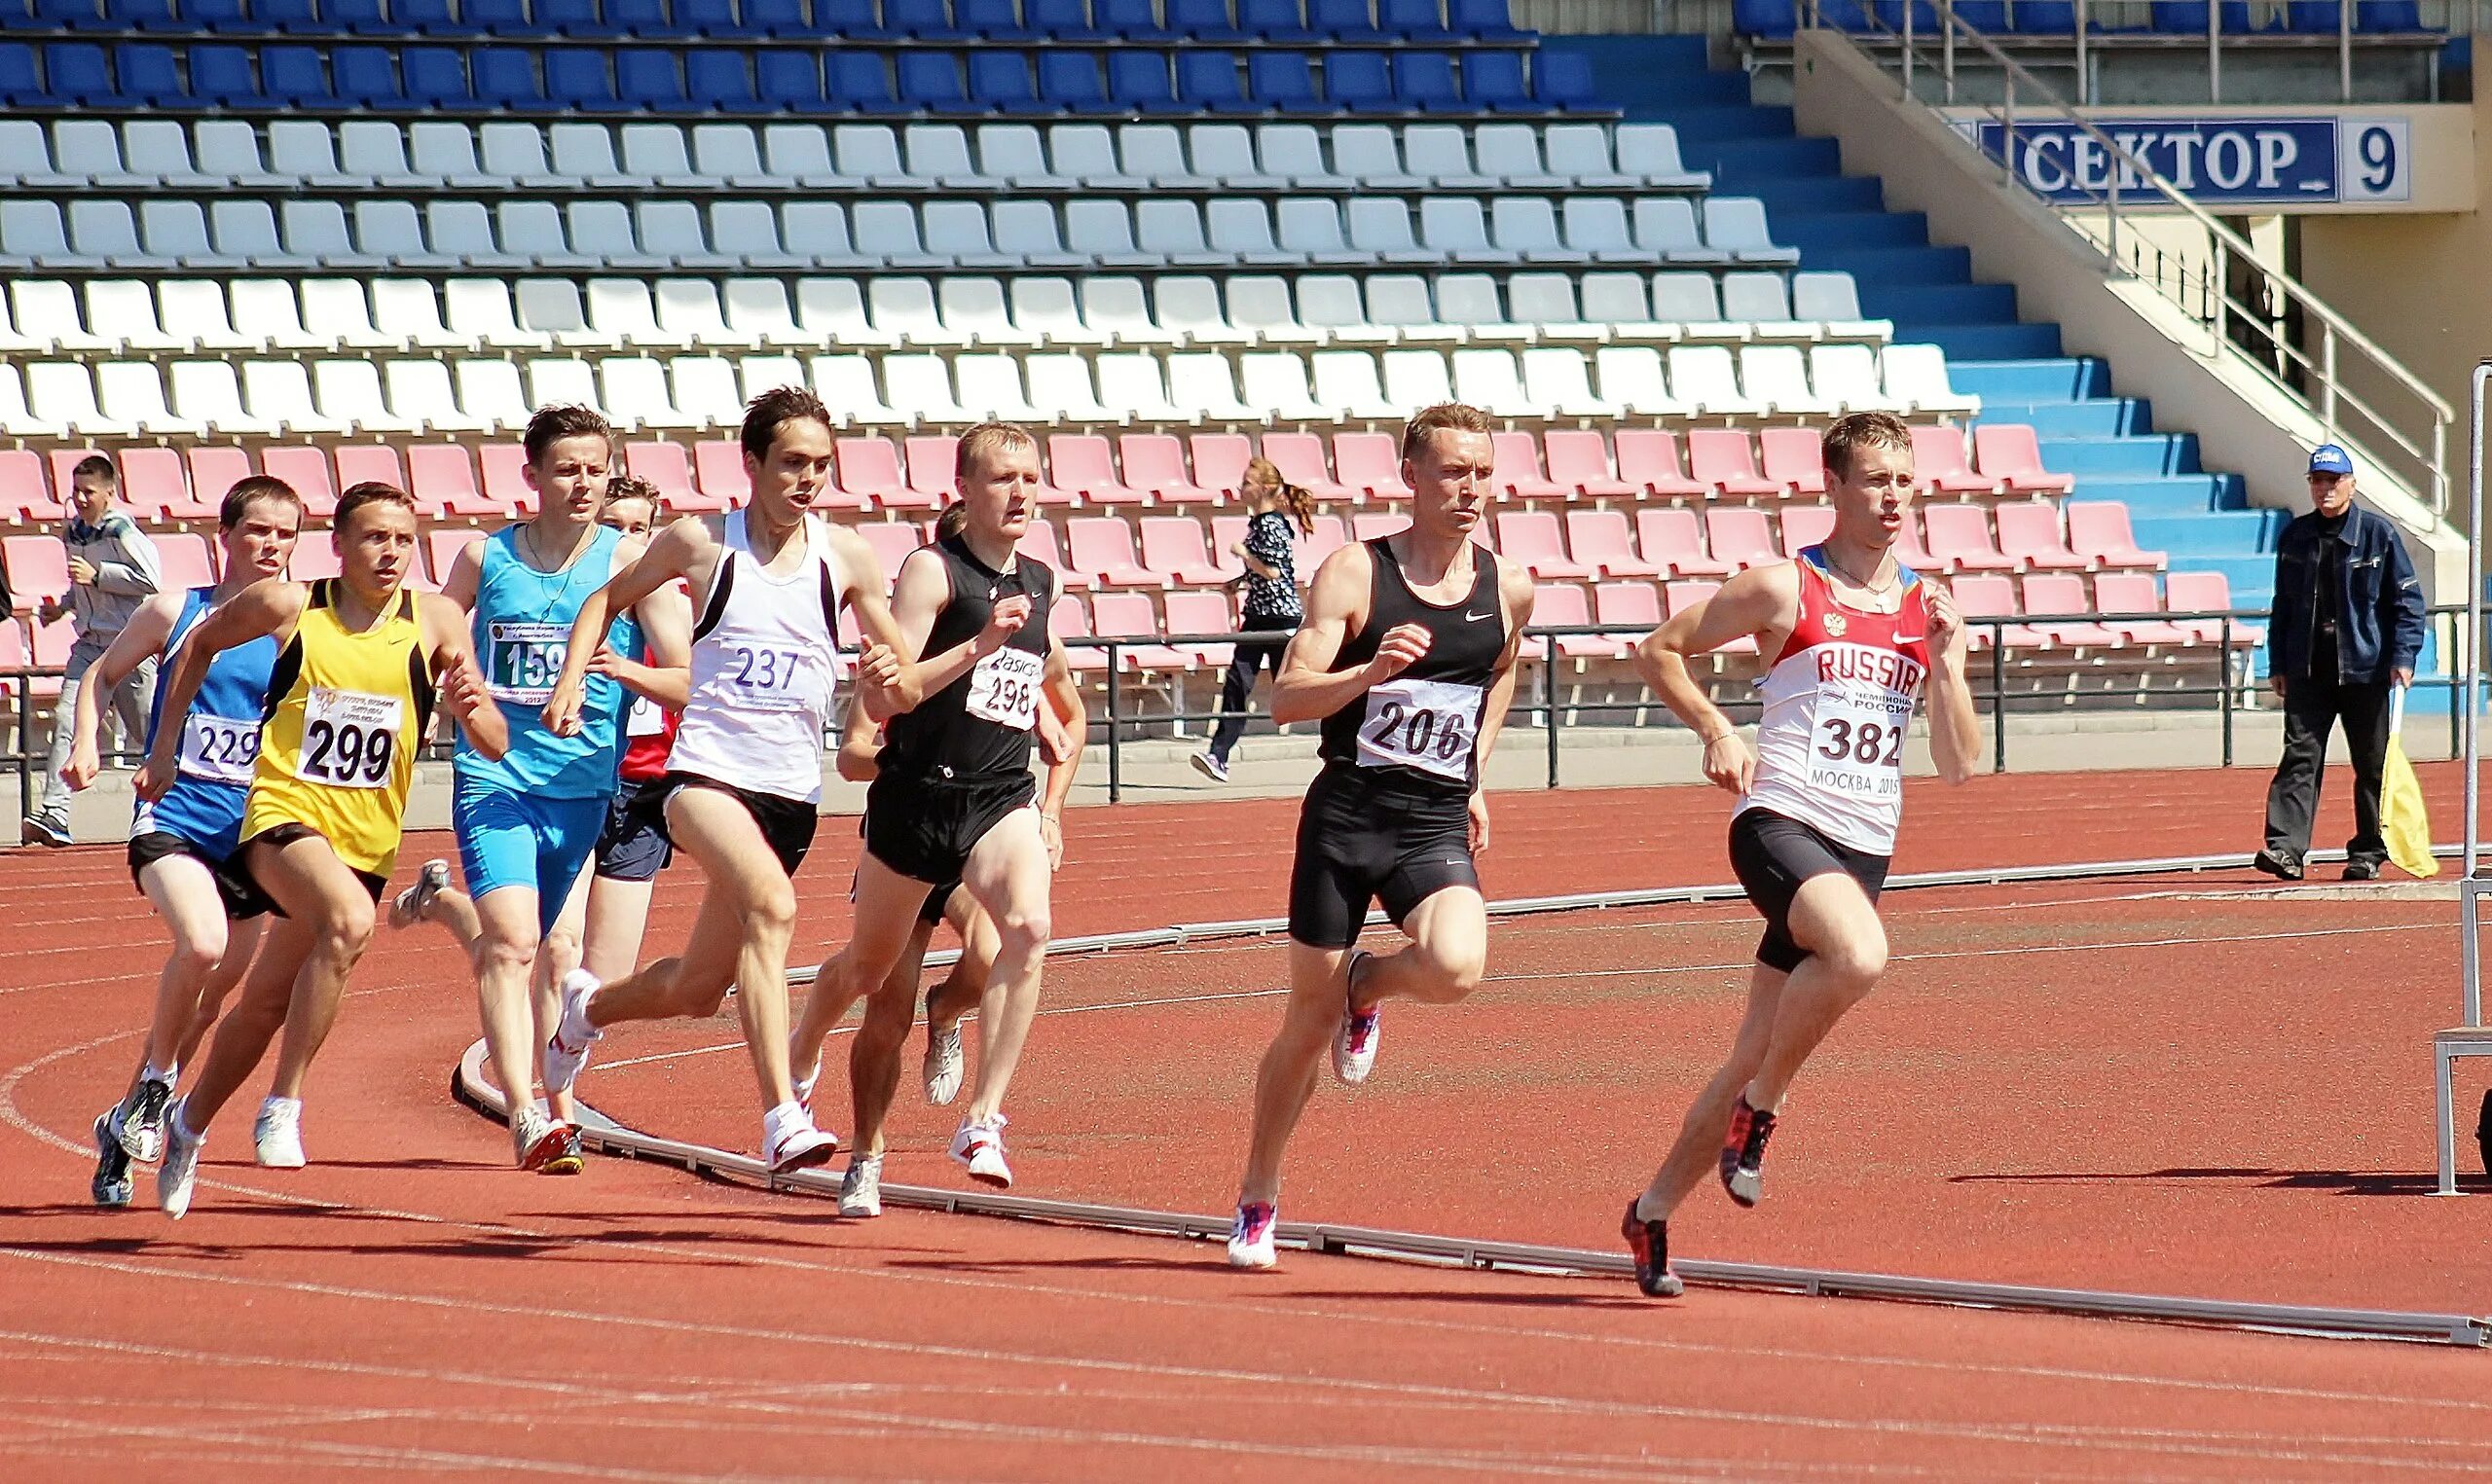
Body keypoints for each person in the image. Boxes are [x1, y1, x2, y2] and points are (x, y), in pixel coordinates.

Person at [1617, 411, 1981, 1299]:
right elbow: (1660, 649)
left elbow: (1962, 764)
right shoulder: (1784, 588)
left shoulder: (1924, 606)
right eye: (1875, 480)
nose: (1894, 496)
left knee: (1748, 1048)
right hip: (1780, 819)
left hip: (1865, 846)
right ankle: (1764, 1110)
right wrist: (1714, 726)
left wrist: (1949, 666)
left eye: (1905, 479)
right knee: (1860, 955)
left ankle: (1653, 1209)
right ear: (1835, 487)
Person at [535, 387, 910, 1175]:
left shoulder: (847, 557)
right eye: (791, 462)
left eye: (821, 464)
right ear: (752, 464)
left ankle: (585, 1009)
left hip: (789, 798)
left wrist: (889, 676)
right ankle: (782, 1113)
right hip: (704, 778)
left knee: (699, 987)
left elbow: (899, 681)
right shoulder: (702, 543)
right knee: (774, 908)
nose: (807, 478)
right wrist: (572, 680)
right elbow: (608, 595)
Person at [137, 481, 508, 1218]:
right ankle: (284, 1102)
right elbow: (200, 645)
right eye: (374, 537)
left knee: (265, 1003)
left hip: (365, 838)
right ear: (338, 545)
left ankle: (188, 1122)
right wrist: (167, 744)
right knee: (349, 920)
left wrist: (474, 705)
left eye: (404, 539)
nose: (391, 552)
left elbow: (493, 742)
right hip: (281, 814)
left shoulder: (434, 619)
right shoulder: (289, 606)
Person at [1227, 403, 1536, 1270]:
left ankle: (1368, 985)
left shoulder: (1506, 586)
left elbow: (1503, 667)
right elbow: (1286, 697)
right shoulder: (1355, 575)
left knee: (1458, 966)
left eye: (1481, 471)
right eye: (1451, 471)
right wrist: (1371, 671)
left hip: (1431, 818)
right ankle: (1258, 1193)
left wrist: (1475, 766)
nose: (1470, 487)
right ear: (1411, 475)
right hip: (1346, 817)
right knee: (1301, 1023)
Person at [791, 422, 1087, 1199]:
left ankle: (983, 1118)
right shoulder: (932, 572)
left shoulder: (1043, 584)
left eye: (1030, 477)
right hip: (916, 804)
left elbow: (1052, 694)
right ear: (965, 486)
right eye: (1002, 478)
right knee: (873, 982)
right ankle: (861, 1145)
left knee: (1028, 928)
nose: (1021, 491)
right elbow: (892, 695)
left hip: (997, 799)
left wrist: (1049, 773)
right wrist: (980, 646)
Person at [424, 408, 692, 1174]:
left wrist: (619, 670)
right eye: (567, 468)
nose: (583, 483)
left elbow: (684, 680)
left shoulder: (633, 561)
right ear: (533, 475)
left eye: (595, 468)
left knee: (564, 951)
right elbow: (437, 643)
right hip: (495, 775)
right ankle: (526, 1114)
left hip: (582, 787)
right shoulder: (485, 556)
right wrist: (448, 687)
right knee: (514, 942)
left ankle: (446, 908)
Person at [67, 477, 305, 1203]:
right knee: (198, 946)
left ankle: (125, 1118)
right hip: (175, 810)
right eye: (258, 530)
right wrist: (86, 741)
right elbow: (99, 676)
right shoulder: (176, 610)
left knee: (207, 1001)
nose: (271, 545)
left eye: (286, 534)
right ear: (224, 535)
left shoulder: (302, 628)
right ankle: (158, 1088)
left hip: (257, 831)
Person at [2254, 444, 2427, 884]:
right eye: (2317, 480)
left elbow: (2407, 601)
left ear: (2351, 484)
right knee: (2299, 757)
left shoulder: (2378, 534)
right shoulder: (2294, 537)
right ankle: (2285, 850)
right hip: (2308, 669)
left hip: (2366, 670)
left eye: (2333, 480)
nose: (2325, 488)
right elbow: (2284, 606)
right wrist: (2278, 662)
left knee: (2371, 763)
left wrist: (2404, 655)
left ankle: (2369, 850)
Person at [27, 453, 163, 848]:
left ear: (109, 493)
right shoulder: (75, 532)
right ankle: (56, 811)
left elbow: (150, 580)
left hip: (128, 645)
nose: (81, 499)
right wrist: (64, 606)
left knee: (147, 730)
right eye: (76, 491)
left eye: (89, 492)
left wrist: (100, 576)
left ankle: (174, 801)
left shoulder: (123, 532)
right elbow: (84, 587)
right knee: (68, 718)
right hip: (89, 644)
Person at [1192, 457, 1315, 784]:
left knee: (1291, 687)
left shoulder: (1271, 525)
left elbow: (1274, 572)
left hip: (1279, 619)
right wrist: (1240, 580)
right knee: (1238, 683)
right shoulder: (1259, 524)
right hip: (1259, 616)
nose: (1241, 488)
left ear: (1262, 489)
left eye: (1247, 483)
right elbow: (1267, 571)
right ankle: (1218, 754)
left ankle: (1340, 741)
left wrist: (1244, 555)